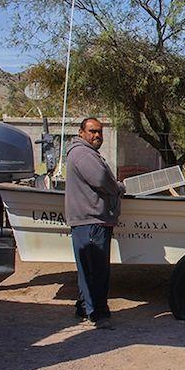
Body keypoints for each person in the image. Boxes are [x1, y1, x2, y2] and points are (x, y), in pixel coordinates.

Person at [64, 117, 126, 328]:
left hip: (87, 220)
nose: (97, 135)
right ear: (81, 132)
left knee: (87, 268)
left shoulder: (82, 153)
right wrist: (117, 188)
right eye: (92, 131)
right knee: (96, 270)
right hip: (91, 220)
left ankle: (83, 307)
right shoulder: (83, 153)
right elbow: (100, 178)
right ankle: (98, 314)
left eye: (100, 132)